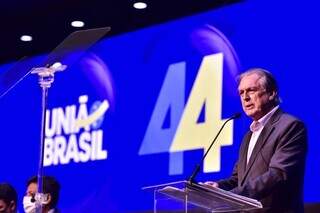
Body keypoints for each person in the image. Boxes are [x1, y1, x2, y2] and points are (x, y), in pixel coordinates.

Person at [205, 68, 307, 212]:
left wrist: (230, 196)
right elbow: (238, 179)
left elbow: (278, 175)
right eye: (241, 92)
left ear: (271, 93)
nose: (245, 97)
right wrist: (218, 188)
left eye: (251, 90)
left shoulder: (290, 126)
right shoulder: (249, 135)